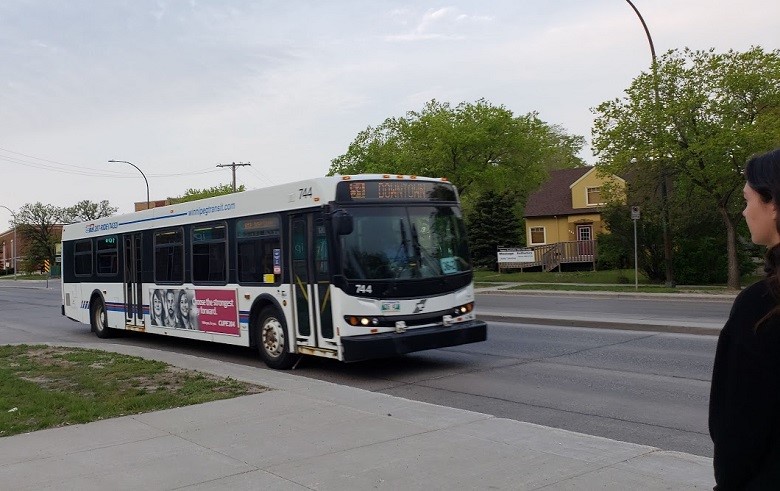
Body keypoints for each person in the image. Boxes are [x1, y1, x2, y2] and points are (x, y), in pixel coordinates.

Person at [709, 148, 780, 489]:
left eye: (748, 199)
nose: (744, 211)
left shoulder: (762, 307)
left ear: (774, 205)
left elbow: (737, 429)